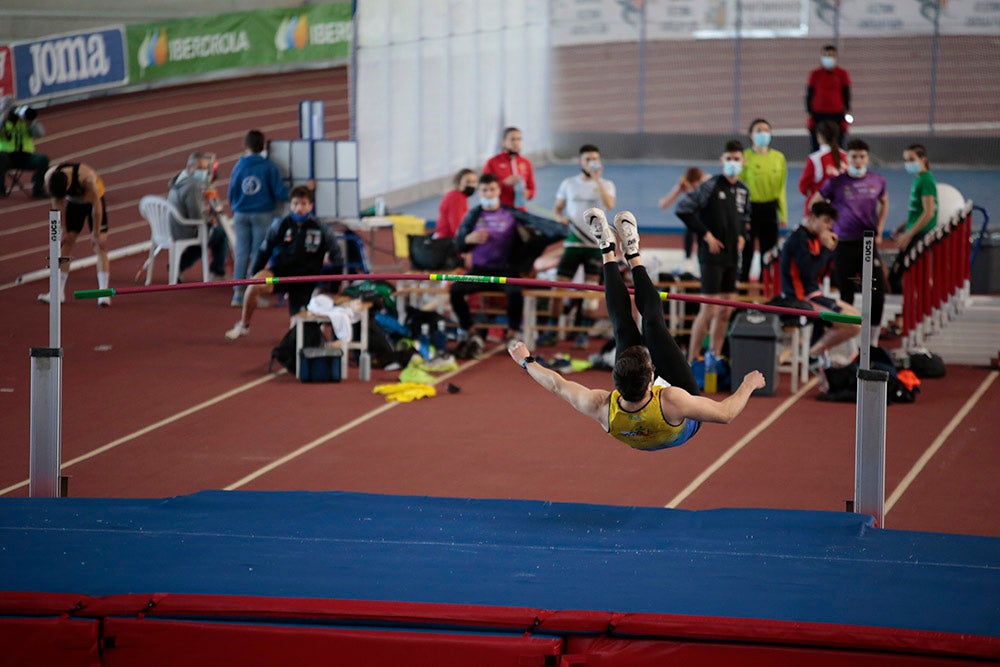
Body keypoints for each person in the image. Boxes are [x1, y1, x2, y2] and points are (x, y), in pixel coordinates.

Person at [507, 208, 765, 451]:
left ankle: (607, 248)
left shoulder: (600, 406)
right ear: (653, 381)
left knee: (622, 326)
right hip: (679, 424)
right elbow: (726, 414)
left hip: (643, 416)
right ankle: (633, 253)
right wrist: (748, 384)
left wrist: (527, 362)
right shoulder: (673, 399)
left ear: (616, 384)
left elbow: (557, 386)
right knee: (653, 324)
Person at [450, 173, 566, 357]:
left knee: (515, 293)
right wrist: (467, 239)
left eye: (492, 189)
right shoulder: (473, 215)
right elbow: (457, 244)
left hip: (505, 270)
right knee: (455, 290)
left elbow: (545, 227)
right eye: (484, 190)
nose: (488, 194)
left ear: (498, 190)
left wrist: (561, 227)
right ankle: (469, 331)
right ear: (479, 192)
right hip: (479, 271)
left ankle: (512, 333)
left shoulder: (511, 214)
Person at [225, 185, 343, 341]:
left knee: (297, 330)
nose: (299, 208)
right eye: (295, 204)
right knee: (254, 285)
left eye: (303, 204)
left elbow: (338, 258)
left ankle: (295, 344)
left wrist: (333, 289)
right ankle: (244, 325)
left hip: (304, 281)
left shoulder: (322, 229)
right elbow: (264, 250)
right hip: (279, 277)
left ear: (310, 206)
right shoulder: (281, 224)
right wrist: (255, 272)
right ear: (291, 205)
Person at [675, 140, 750, 364]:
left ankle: (714, 357)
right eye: (729, 159)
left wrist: (741, 237)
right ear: (722, 161)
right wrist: (705, 235)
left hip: (732, 257)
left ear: (743, 161)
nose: (733, 163)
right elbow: (683, 208)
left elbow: (745, 218)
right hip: (711, 256)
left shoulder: (744, 190)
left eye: (737, 159)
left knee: (726, 310)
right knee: (708, 309)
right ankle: (691, 360)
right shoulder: (710, 186)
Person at [813, 138, 887, 346]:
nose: (858, 160)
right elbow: (816, 202)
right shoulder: (836, 182)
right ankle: (848, 340)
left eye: (862, 156)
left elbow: (885, 201)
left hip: (868, 243)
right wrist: (825, 229)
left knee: (876, 292)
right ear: (848, 158)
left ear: (867, 158)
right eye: (854, 156)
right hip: (844, 243)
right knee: (846, 293)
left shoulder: (877, 180)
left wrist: (880, 229)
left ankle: (871, 343)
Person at [544, 143, 617, 348]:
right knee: (558, 287)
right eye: (587, 159)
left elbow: (610, 205)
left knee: (590, 293)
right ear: (580, 161)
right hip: (574, 242)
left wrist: (597, 180)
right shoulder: (568, 184)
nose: (591, 163)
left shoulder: (607, 184)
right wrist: (559, 217)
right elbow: (557, 209)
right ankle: (551, 329)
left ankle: (582, 333)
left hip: (595, 244)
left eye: (595, 159)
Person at [780, 201, 861, 357]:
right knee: (853, 326)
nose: (828, 227)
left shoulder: (816, 238)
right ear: (812, 218)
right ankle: (813, 354)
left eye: (830, 223)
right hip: (798, 298)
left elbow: (825, 273)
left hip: (813, 294)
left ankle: (814, 352)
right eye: (825, 221)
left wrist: (831, 250)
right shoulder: (799, 238)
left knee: (857, 319)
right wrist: (826, 249)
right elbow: (809, 272)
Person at [228, 129, 289, 308]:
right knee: (258, 254)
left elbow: (232, 193)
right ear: (263, 146)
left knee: (241, 252)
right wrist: (301, 190)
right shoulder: (269, 166)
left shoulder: (238, 166)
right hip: (262, 214)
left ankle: (237, 294)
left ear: (244, 145)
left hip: (240, 214)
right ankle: (253, 292)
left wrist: (237, 207)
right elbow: (280, 192)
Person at [40, 163, 112, 307]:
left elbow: (97, 207)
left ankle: (103, 293)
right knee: (67, 243)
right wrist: (63, 231)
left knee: (100, 245)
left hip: (94, 201)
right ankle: (58, 292)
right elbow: (57, 205)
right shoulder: (50, 177)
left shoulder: (87, 178)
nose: (61, 198)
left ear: (68, 186)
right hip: (74, 204)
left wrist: (96, 233)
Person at [167, 152, 229, 280]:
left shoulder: (180, 178)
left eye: (206, 168)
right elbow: (196, 216)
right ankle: (217, 272)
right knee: (220, 234)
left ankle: (177, 266)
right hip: (185, 229)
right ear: (190, 167)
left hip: (173, 226)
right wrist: (209, 219)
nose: (205, 172)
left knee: (207, 236)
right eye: (201, 168)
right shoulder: (192, 186)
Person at [740, 118, 787, 282]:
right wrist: (740, 215)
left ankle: (765, 288)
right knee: (747, 252)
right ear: (751, 135)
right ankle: (742, 295)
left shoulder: (779, 158)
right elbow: (739, 188)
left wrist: (783, 214)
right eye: (759, 130)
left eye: (766, 130)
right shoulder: (744, 157)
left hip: (770, 209)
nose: (763, 134)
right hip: (750, 209)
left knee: (768, 253)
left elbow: (781, 188)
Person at [889, 144, 938, 293]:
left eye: (911, 159)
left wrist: (908, 235)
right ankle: (905, 313)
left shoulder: (926, 180)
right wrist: (903, 226)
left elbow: (929, 213)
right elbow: (918, 211)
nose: (908, 164)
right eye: (906, 160)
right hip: (914, 232)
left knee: (898, 276)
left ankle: (905, 314)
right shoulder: (919, 179)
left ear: (923, 159)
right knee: (899, 276)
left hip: (920, 236)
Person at [659, 167, 710, 272]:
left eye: (694, 186)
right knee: (690, 227)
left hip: (708, 213)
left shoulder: (708, 181)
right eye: (690, 186)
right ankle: (688, 259)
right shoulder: (684, 183)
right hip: (696, 212)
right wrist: (679, 189)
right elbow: (664, 204)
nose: (692, 188)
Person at [806, 44, 852, 152]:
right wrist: (810, 111)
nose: (828, 58)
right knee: (816, 145)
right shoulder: (815, 74)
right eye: (826, 55)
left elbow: (846, 93)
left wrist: (846, 111)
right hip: (818, 115)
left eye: (831, 55)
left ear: (836, 57)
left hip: (836, 115)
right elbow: (809, 93)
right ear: (822, 57)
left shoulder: (842, 74)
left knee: (838, 144)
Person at [0, 97, 49, 198]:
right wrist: (3, 121)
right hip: (6, 156)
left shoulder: (24, 120)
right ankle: (0, 189)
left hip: (25, 156)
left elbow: (40, 133)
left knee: (43, 159)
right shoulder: (2, 121)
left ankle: (38, 189)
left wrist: (31, 123)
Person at [797, 120, 847, 219]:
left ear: (819, 136)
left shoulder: (815, 159)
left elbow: (803, 187)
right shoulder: (846, 157)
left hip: (818, 214)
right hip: (841, 211)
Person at [482, 126, 535, 210]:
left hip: (520, 210)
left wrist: (528, 193)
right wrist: (504, 183)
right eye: (512, 139)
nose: (516, 142)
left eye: (519, 139)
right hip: (499, 210)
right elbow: (483, 189)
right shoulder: (492, 162)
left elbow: (532, 189)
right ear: (503, 142)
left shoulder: (526, 163)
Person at [434, 168, 477, 239]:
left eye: (474, 182)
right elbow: (457, 227)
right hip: (447, 241)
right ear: (458, 183)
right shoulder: (456, 198)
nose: (472, 185)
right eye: (468, 182)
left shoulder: (458, 196)